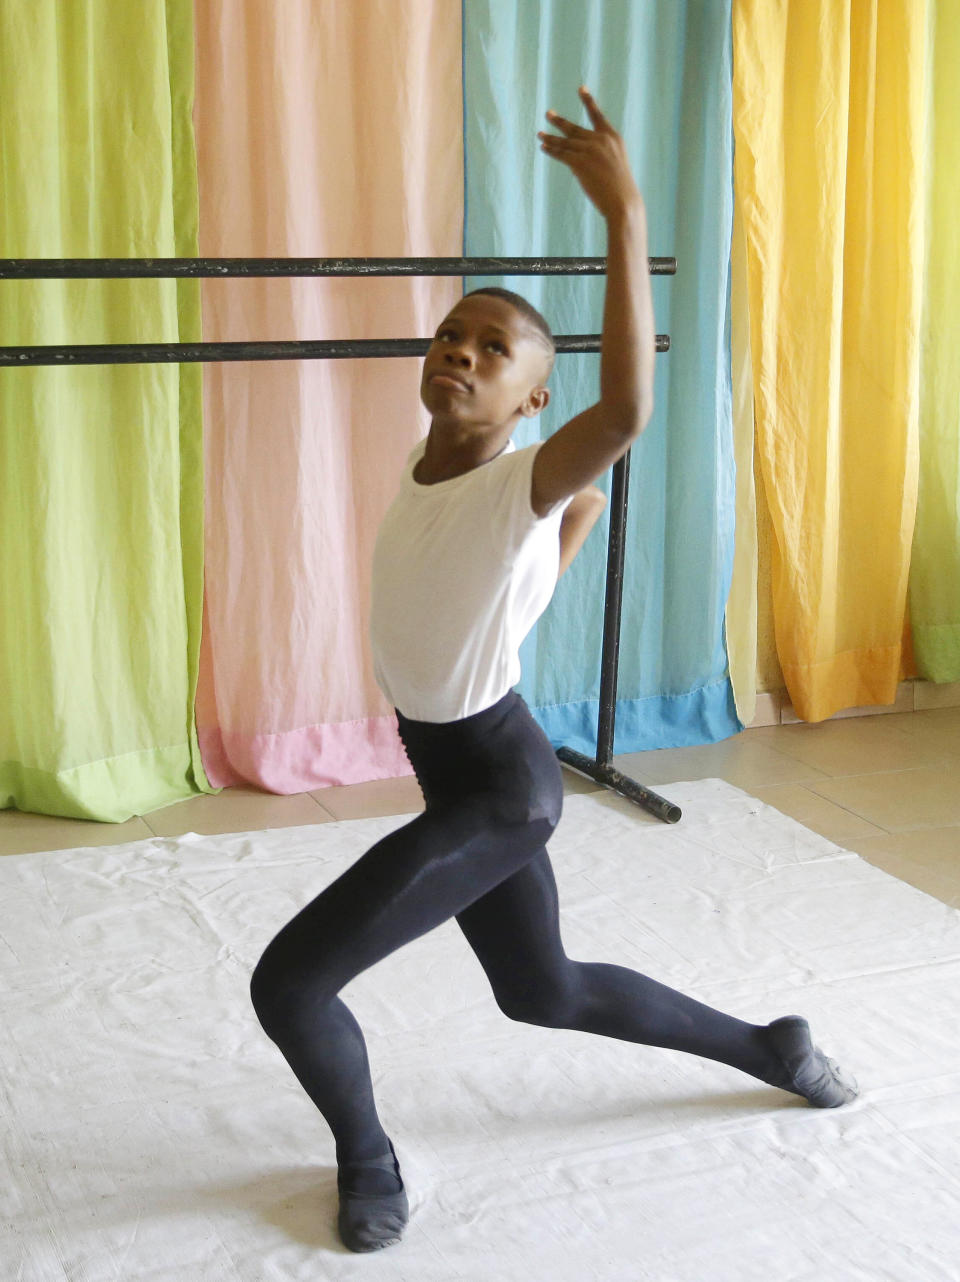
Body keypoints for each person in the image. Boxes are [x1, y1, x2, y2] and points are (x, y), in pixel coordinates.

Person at [250, 87, 858, 1255]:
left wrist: (624, 215)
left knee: (289, 986)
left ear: (534, 401)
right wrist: (566, 536)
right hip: (464, 767)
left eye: (494, 350)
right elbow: (501, 572)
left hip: (497, 784)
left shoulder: (512, 475)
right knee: (544, 989)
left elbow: (624, 410)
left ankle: (369, 1157)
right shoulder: (445, 471)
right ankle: (768, 1044)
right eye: (451, 335)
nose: (461, 353)